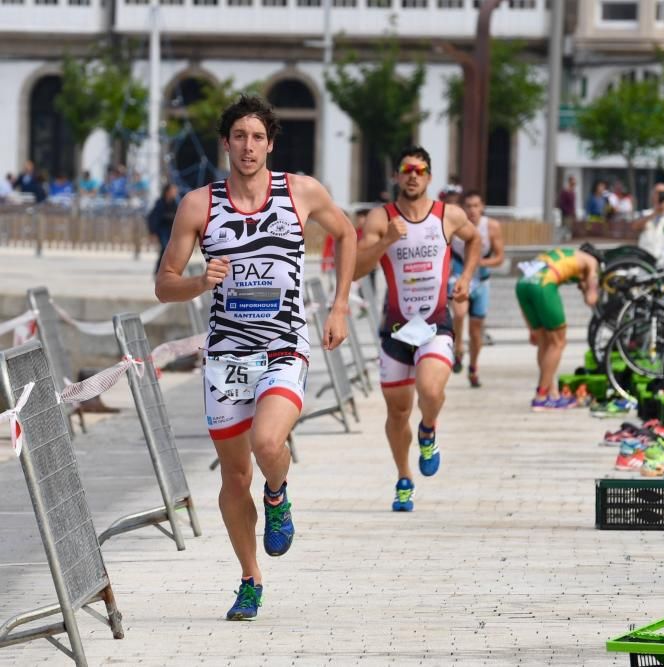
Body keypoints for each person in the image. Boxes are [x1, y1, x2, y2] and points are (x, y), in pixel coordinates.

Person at [154, 95, 357, 621]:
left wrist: (339, 306)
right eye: (239, 136)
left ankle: (279, 494)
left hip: (284, 345)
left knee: (268, 442)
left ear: (270, 143)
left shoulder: (299, 191)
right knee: (232, 478)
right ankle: (249, 579)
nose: (248, 146)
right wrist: (201, 281)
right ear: (226, 142)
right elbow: (164, 285)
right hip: (225, 358)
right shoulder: (200, 205)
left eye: (258, 137)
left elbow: (347, 234)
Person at [353, 146, 481, 513]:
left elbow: (474, 240)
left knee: (429, 389)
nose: (413, 176)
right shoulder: (381, 218)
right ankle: (404, 478)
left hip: (435, 323)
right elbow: (358, 268)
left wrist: (466, 277)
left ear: (429, 176)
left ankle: (428, 429)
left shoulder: (448, 215)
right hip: (394, 328)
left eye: (420, 170)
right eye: (406, 169)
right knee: (396, 412)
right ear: (397, 176)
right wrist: (387, 241)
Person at [515, 246, 599, 411]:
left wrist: (530, 327)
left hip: (523, 284)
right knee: (558, 343)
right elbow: (591, 298)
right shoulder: (592, 261)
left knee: (544, 343)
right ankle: (541, 397)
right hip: (544, 286)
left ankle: (551, 393)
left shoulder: (563, 253)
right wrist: (592, 288)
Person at [450, 189, 504, 387]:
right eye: (468, 206)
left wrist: (479, 262)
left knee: (475, 331)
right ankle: (457, 349)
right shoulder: (454, 225)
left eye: (476, 206)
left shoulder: (491, 227)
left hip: (481, 281)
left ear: (482, 207)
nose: (472, 210)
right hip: (458, 276)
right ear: (462, 208)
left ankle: (473, 367)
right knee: (458, 313)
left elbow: (499, 258)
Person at [635, 182, 664, 260]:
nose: (660, 196)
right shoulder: (645, 213)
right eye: (658, 193)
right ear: (653, 195)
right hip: (646, 256)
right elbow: (635, 227)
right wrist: (655, 213)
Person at [147, 183, 179, 273]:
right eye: (173, 191)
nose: (175, 192)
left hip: (171, 230)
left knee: (171, 250)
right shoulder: (160, 203)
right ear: (167, 191)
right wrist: (152, 232)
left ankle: (167, 270)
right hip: (162, 230)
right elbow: (153, 217)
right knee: (165, 248)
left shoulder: (175, 203)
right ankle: (159, 270)